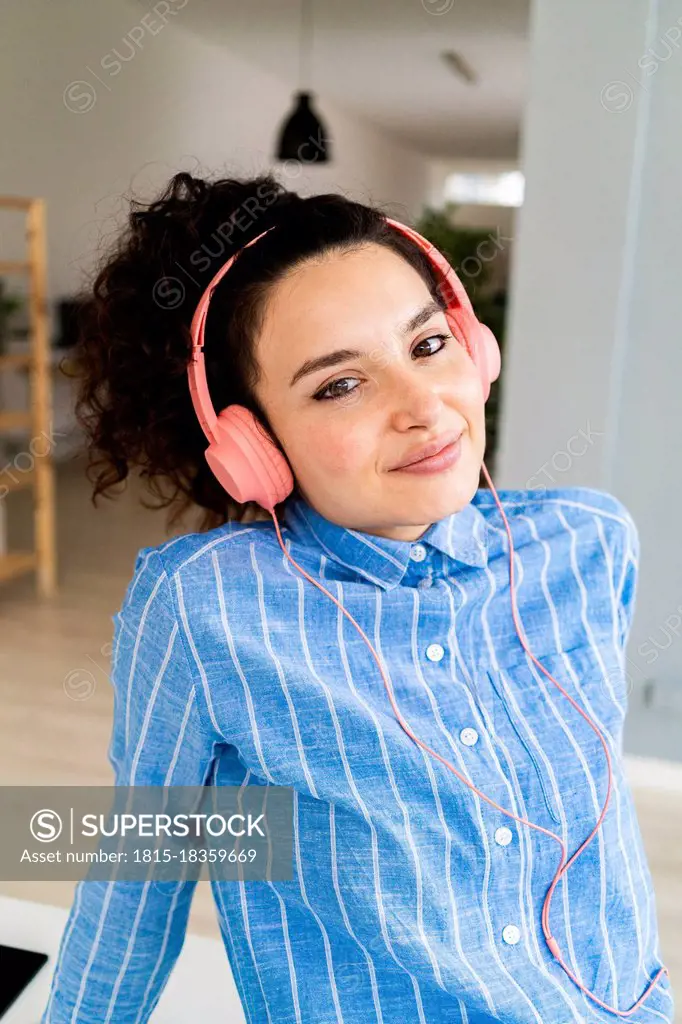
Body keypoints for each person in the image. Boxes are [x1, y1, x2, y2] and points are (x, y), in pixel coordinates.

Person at [41, 171, 674, 1023]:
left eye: (427, 345)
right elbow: (136, 882)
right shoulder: (208, 610)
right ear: (249, 442)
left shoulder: (589, 545)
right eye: (340, 384)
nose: (424, 408)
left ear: (474, 348)